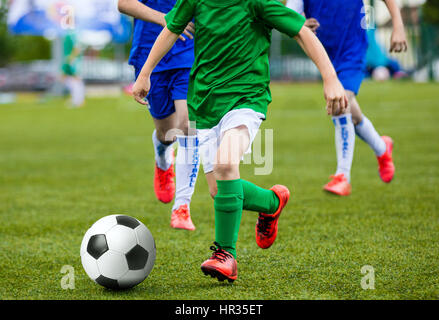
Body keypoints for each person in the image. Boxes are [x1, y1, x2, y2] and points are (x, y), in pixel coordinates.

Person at [132, 0, 347, 282]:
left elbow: (302, 33)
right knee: (218, 191)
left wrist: (331, 78)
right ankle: (272, 202)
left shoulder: (257, 2)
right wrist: (145, 72)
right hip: (204, 104)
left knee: (224, 165)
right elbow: (171, 30)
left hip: (247, 99)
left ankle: (225, 255)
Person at [286, 0, 408, 196]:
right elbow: (289, 16)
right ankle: (382, 147)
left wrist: (398, 25)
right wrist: (300, 23)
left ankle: (343, 176)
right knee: (353, 113)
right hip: (324, 54)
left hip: (353, 50)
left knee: (340, 103)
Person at [118, 0, 200, 230]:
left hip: (188, 50)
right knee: (168, 133)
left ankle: (182, 206)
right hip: (151, 53)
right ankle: (163, 157)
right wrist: (165, 19)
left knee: (187, 125)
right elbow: (124, 4)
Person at [62, 31, 85, 108]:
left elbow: (77, 48)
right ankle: (77, 101)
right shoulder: (71, 36)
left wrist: (72, 57)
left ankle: (77, 101)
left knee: (76, 83)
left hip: (73, 61)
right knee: (74, 83)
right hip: (72, 61)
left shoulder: (72, 36)